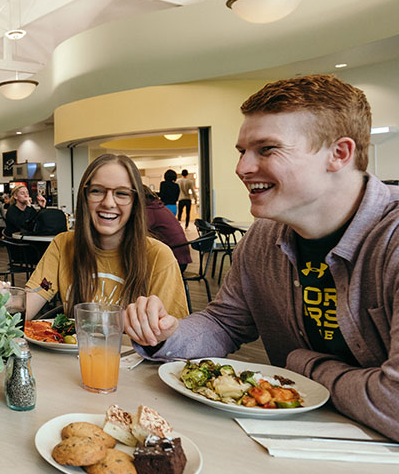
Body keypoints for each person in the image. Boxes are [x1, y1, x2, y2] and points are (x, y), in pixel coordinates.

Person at [123, 74, 399, 442]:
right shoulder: (263, 237)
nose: (242, 168)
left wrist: (303, 365)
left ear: (339, 154)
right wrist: (168, 333)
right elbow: (225, 323)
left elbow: (394, 403)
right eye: (242, 151)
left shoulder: (391, 242)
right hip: (286, 442)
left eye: (266, 149)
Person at [24, 154, 188, 320]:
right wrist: (1, 299)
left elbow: (174, 339)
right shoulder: (63, 244)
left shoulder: (158, 256)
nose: (108, 202)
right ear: (84, 197)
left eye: (122, 193)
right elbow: (26, 307)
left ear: (135, 202)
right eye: (96, 191)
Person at [143, 186, 191, 273]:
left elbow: (138, 232)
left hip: (174, 260)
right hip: (182, 257)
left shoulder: (150, 211)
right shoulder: (159, 207)